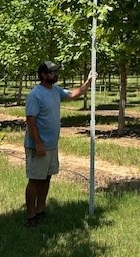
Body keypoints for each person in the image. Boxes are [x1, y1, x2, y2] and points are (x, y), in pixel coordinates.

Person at [24, 61, 95, 227]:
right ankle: (30, 216)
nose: (55, 74)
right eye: (52, 72)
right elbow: (30, 120)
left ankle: (40, 210)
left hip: (51, 144)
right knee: (35, 179)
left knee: (46, 178)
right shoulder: (35, 94)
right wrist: (38, 143)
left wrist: (88, 81)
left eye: (56, 71)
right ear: (43, 74)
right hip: (38, 145)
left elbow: (73, 94)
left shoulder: (55, 90)